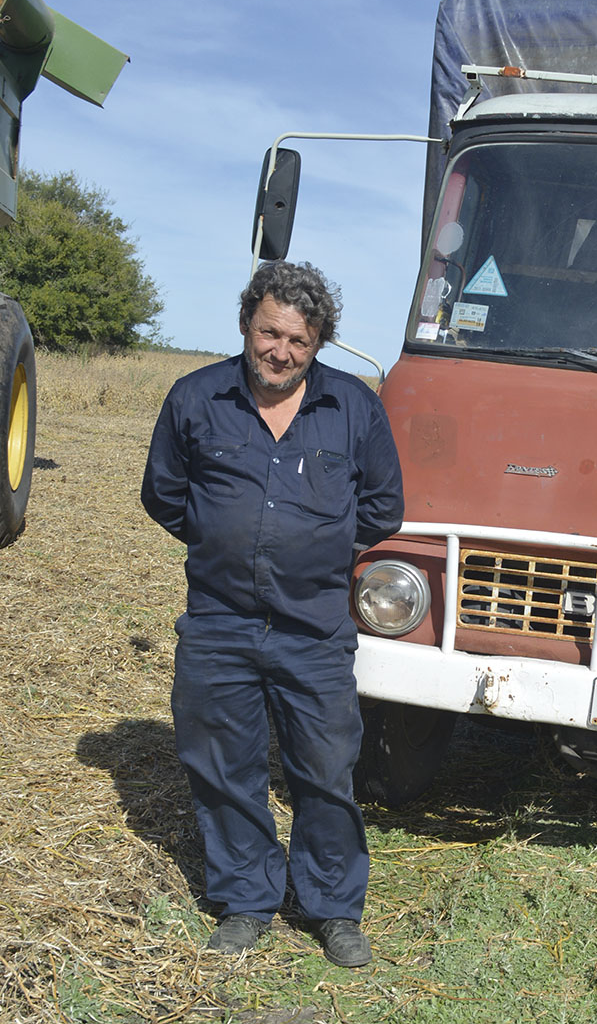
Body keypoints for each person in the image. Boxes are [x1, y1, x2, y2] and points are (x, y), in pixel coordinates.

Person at [141, 260, 403, 966]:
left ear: (318, 343)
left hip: (313, 628)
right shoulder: (196, 397)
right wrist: (224, 541)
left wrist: (315, 553)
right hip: (219, 621)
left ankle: (332, 907)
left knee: (324, 769)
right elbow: (163, 494)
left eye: (299, 339)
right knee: (223, 766)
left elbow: (383, 506)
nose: (280, 351)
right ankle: (247, 898)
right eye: (270, 332)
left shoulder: (353, 407)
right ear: (246, 323)